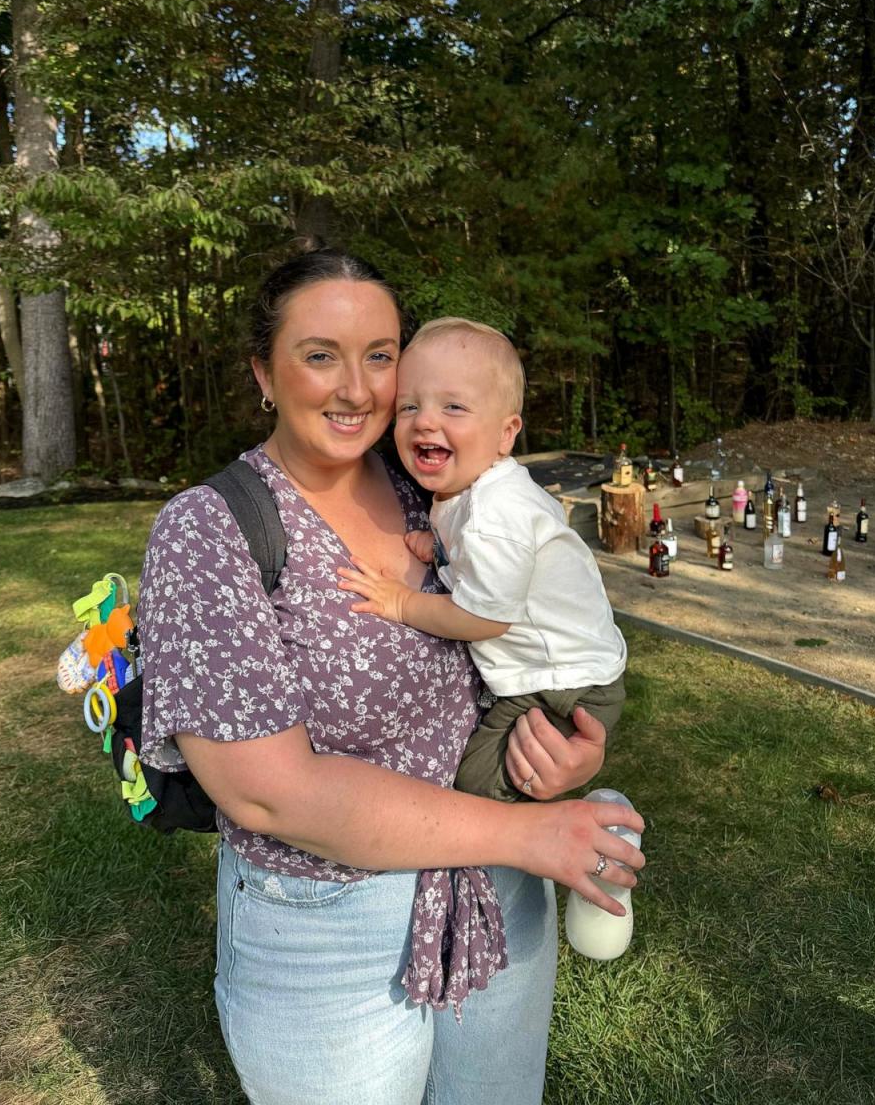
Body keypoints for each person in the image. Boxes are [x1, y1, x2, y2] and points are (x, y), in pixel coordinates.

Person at [136, 250, 644, 1105]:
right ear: (264, 372)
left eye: (380, 355)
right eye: (320, 354)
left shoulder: (436, 487)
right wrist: (531, 834)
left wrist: (563, 754)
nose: (359, 388)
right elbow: (271, 796)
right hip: (331, 927)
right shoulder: (210, 531)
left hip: (494, 891)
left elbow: (529, 643)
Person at [337, 317, 627, 803]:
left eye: (454, 406)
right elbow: (496, 555)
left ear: (505, 432)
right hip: (557, 674)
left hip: (565, 683)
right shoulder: (473, 491)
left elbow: (484, 616)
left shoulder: (496, 511)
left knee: (481, 781)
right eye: (409, 406)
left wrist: (402, 604)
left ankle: (597, 827)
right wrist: (441, 549)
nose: (426, 420)